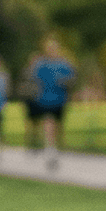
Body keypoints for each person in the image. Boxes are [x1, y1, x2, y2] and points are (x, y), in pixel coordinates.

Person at [27, 39, 75, 170]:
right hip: (45, 100)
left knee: (57, 126)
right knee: (49, 123)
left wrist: (64, 82)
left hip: (60, 100)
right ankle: (50, 150)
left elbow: (72, 79)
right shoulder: (41, 64)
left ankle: (55, 149)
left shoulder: (64, 64)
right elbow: (33, 78)